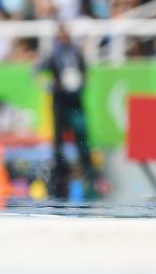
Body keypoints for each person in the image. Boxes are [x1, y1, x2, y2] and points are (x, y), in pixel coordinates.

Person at [35, 23, 97, 198]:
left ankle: (88, 175)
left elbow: (86, 72)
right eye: (60, 35)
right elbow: (35, 72)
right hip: (60, 100)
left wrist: (80, 83)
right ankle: (59, 175)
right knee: (58, 140)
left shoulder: (76, 53)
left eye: (65, 34)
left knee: (81, 137)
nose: (63, 38)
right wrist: (49, 85)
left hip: (75, 101)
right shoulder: (53, 55)